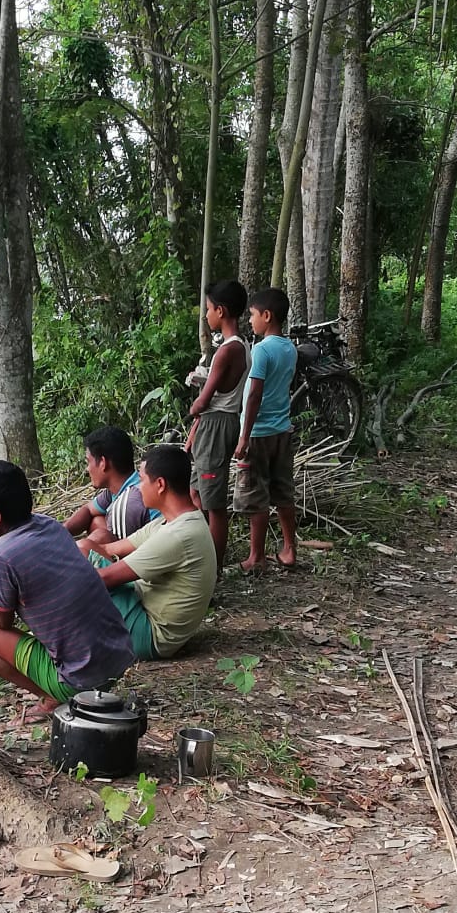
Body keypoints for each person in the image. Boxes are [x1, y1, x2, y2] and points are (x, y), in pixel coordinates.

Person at [0, 461, 134, 721]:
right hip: (119, 657)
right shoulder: (46, 525)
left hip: (83, 681)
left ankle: (56, 697)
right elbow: (6, 569)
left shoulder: (3, 555)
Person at [93, 444, 217, 661]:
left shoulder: (180, 534)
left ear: (160, 484)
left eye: (141, 480)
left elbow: (104, 578)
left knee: (82, 575)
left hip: (151, 636)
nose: (138, 488)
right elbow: (108, 549)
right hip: (145, 608)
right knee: (87, 549)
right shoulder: (170, 522)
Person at [186, 279, 250, 571]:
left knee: (215, 506)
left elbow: (204, 400)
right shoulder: (241, 346)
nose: (207, 315)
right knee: (196, 493)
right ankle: (201, 554)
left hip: (216, 425)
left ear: (221, 311)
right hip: (215, 424)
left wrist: (193, 404)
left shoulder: (228, 350)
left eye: (209, 309)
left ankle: (213, 569)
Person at [233, 287, 298, 573]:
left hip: (258, 433)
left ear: (267, 316)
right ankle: (289, 549)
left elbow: (255, 394)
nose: (250, 321)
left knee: (256, 493)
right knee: (283, 491)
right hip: (282, 431)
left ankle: (255, 556)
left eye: (253, 315)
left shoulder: (261, 350)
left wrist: (244, 436)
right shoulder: (289, 348)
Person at [64, 426, 157, 551]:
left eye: (88, 462)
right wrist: (60, 532)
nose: (87, 470)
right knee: (97, 521)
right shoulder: (122, 486)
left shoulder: (129, 503)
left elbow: (125, 560)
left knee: (98, 538)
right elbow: (88, 509)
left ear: (103, 463)